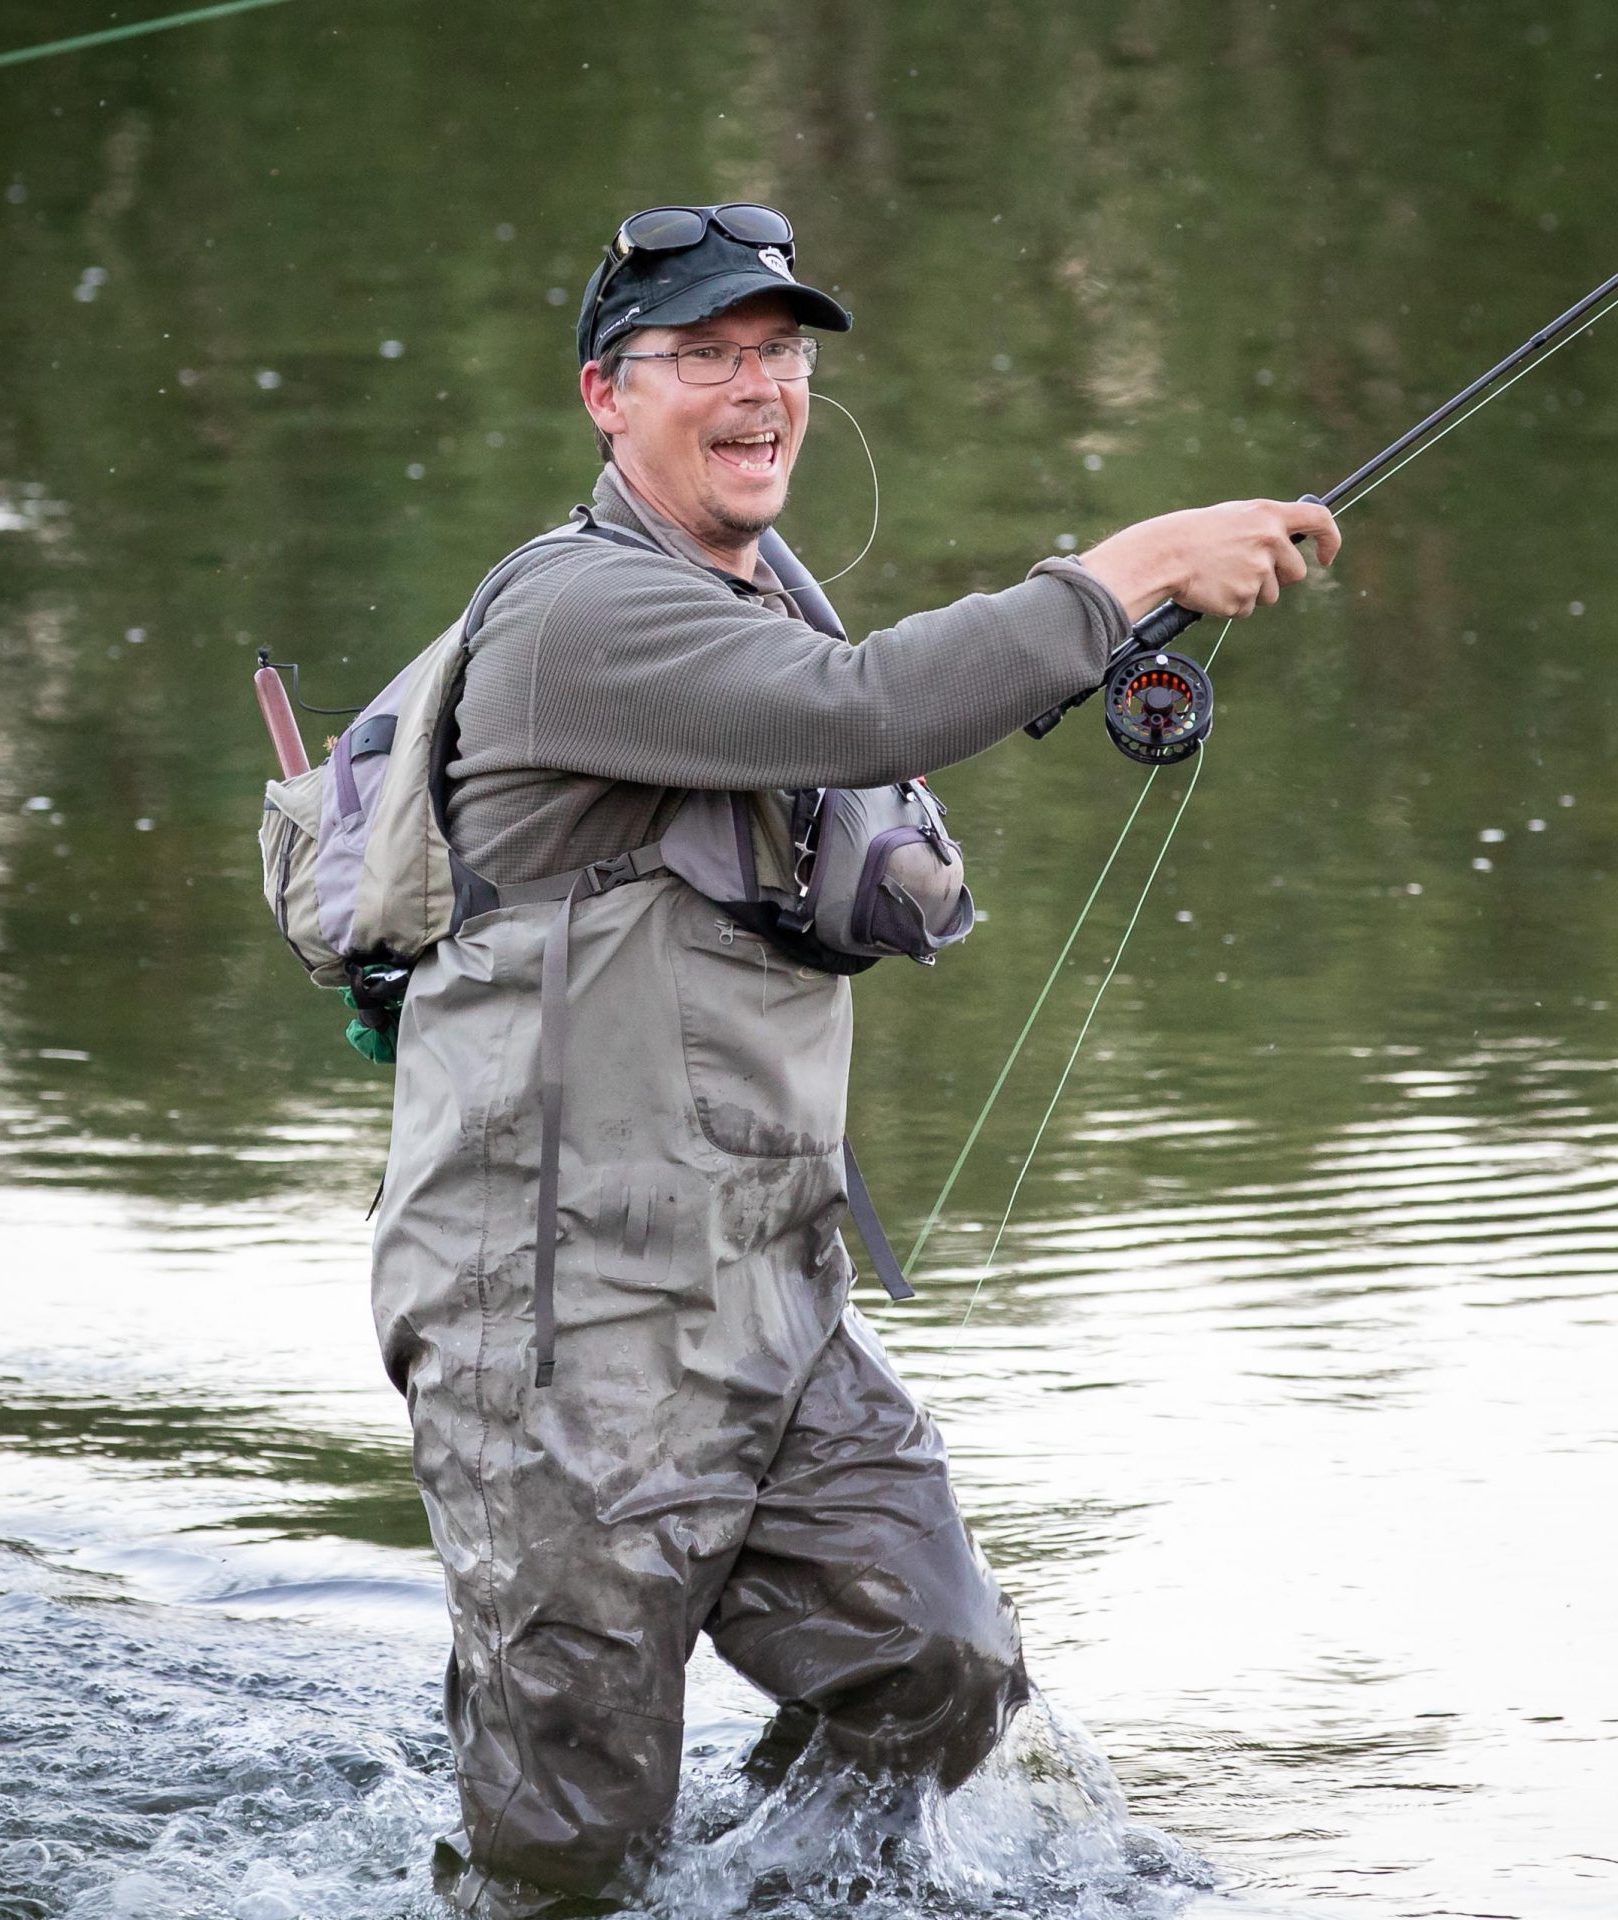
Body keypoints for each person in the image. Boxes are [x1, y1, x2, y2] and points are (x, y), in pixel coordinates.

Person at [368, 200, 1337, 1912]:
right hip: (557, 1323)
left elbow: (860, 709)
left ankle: (762, 1885)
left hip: (764, 1290)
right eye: (706, 360)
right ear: (608, 394)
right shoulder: (580, 616)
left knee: (939, 1673)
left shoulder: (754, 591)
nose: (759, 392)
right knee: (567, 1856)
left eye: (780, 356)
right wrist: (1133, 566)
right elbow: (873, 710)